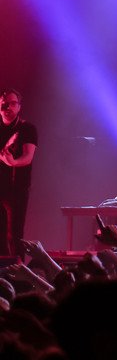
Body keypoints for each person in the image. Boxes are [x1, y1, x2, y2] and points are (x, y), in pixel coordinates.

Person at [0, 88, 38, 258]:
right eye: (4, 104)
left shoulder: (27, 129)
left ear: (19, 107)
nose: (8, 107)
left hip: (16, 189)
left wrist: (13, 162)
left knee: (14, 234)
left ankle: (18, 270)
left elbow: (28, 157)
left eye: (12, 104)